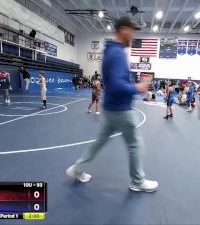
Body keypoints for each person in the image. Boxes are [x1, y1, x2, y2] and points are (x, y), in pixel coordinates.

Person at [66, 17, 158, 192]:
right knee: (135, 143)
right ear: (123, 30)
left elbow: (114, 82)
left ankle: (77, 169)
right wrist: (137, 87)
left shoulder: (112, 51)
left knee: (99, 142)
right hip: (120, 109)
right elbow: (116, 85)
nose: (133, 35)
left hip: (111, 108)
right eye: (132, 30)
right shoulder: (116, 54)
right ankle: (138, 181)